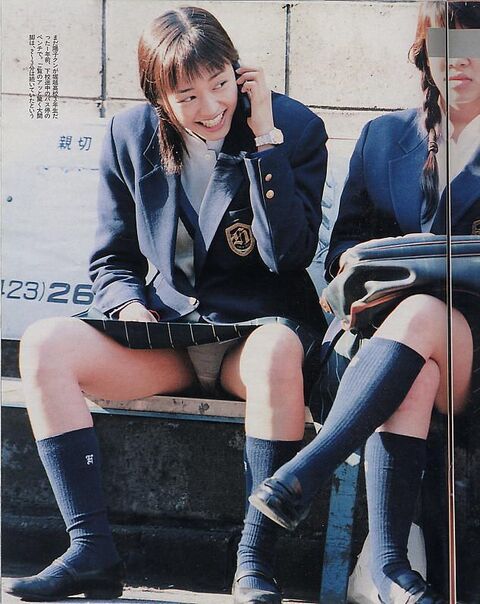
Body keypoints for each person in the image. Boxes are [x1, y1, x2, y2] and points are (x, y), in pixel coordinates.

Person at [5, 6, 328, 603]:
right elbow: (112, 259)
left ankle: (255, 562)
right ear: (158, 97)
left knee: (277, 351)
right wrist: (128, 306)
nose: (211, 107)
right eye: (188, 96)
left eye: (221, 84)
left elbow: (289, 254)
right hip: (167, 336)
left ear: (240, 73)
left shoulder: (294, 128)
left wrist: (265, 143)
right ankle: (90, 550)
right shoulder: (130, 134)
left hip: (254, 335)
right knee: (46, 344)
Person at [249, 2, 480, 603]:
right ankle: (390, 567)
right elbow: (342, 249)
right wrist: (362, 261)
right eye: (444, 40)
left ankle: (306, 471)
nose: (457, 58)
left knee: (424, 316)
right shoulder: (386, 137)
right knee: (415, 357)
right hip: (386, 350)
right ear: (424, 51)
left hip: (474, 356)